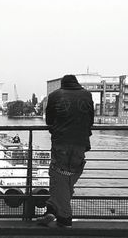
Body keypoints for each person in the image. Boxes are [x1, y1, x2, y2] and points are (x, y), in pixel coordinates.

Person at [37, 74, 94, 228]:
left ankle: (64, 218)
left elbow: (49, 121)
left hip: (61, 142)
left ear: (62, 85)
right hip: (81, 143)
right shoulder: (87, 95)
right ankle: (52, 209)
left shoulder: (55, 95)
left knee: (58, 175)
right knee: (67, 177)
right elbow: (91, 120)